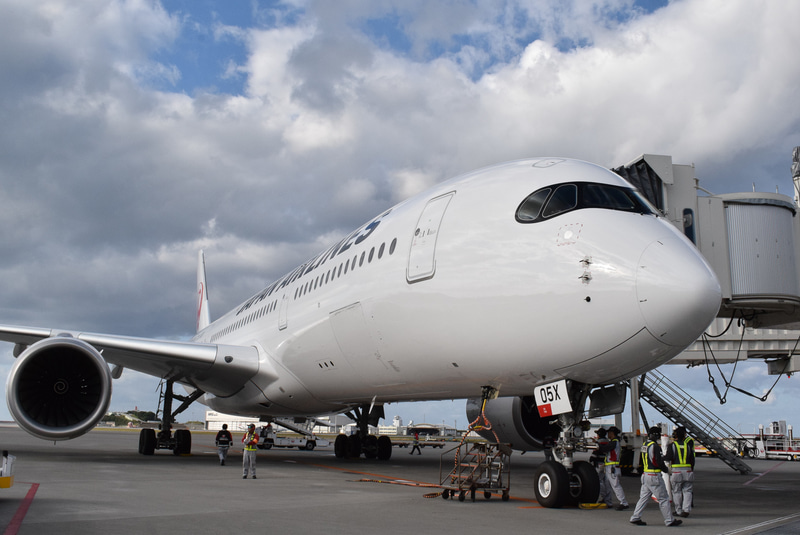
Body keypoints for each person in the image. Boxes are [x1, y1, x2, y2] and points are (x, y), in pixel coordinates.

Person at [630, 427, 682, 527]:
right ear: (655, 434)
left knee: (643, 498)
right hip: (654, 476)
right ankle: (669, 520)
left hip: (645, 475)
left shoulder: (645, 445)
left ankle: (635, 517)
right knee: (664, 498)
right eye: (658, 434)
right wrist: (666, 470)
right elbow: (657, 461)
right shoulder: (655, 446)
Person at [597, 426, 629, 510]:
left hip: (612, 468)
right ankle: (608, 501)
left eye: (609, 433)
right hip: (610, 467)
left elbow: (604, 448)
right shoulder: (614, 442)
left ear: (612, 433)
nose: (608, 434)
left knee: (615, 485)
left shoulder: (614, 442)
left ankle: (624, 502)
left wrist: (597, 445)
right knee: (607, 485)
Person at [667, 426, 695, 518]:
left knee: (676, 491)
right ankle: (686, 509)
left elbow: (668, 457)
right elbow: (692, 459)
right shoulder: (688, 445)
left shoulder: (672, 445)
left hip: (676, 472)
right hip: (688, 470)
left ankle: (678, 511)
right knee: (687, 491)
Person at [590, 428, 611, 507]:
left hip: (599, 463)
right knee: (606, 482)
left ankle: (604, 497)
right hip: (606, 463)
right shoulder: (608, 442)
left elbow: (595, 453)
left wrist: (591, 460)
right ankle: (608, 499)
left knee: (599, 481)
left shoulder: (598, 443)